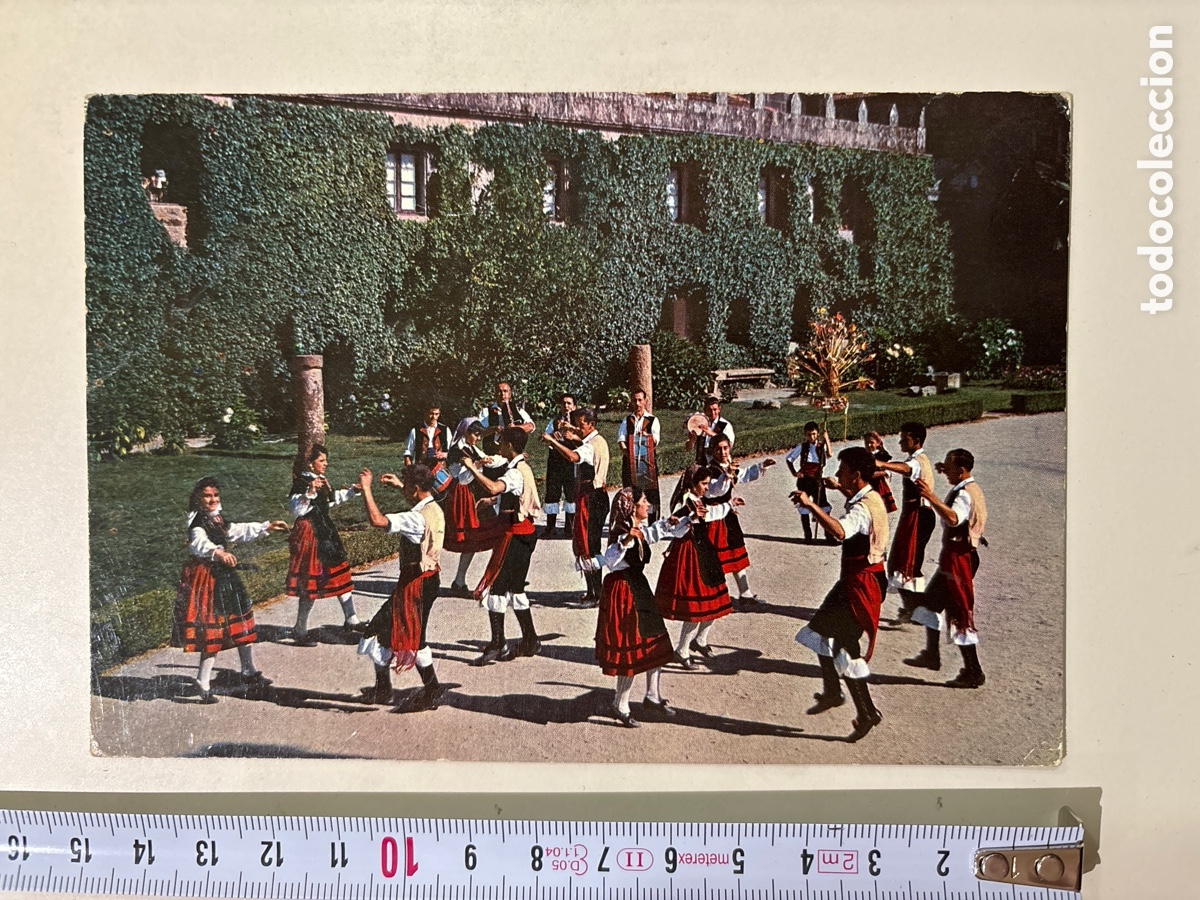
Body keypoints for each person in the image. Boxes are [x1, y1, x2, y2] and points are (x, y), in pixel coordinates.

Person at [792, 447, 889, 742]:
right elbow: (859, 519)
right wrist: (841, 489)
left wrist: (811, 506)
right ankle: (838, 694)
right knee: (824, 635)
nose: (837, 475)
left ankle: (866, 710)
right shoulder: (871, 497)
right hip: (863, 580)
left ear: (857, 475)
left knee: (841, 646)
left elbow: (840, 531)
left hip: (859, 585)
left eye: (843, 471)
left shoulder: (861, 509)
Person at [173, 477, 289, 703]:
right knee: (213, 628)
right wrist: (218, 553)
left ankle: (248, 669)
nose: (212, 499)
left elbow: (234, 530)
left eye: (215, 495)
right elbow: (198, 543)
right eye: (207, 496)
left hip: (224, 575)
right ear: (198, 499)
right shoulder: (197, 522)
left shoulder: (216, 519)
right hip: (208, 577)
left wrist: (266, 527)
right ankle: (203, 681)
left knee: (240, 617)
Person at [580, 487, 682, 728]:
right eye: (644, 501)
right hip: (624, 593)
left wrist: (672, 523)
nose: (648, 505)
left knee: (655, 643)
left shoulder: (638, 529)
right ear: (632, 506)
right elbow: (611, 559)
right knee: (630, 650)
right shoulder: (620, 532)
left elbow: (653, 534)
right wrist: (626, 541)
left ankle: (652, 696)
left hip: (639, 589)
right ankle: (620, 704)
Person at [355, 465, 447, 712]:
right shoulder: (434, 507)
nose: (404, 490)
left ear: (416, 489)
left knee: (385, 632)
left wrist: (366, 488)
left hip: (414, 583)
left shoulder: (415, 519)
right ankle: (391, 689)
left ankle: (429, 690)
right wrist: (400, 486)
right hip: (428, 579)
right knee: (401, 634)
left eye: (407, 487)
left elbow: (377, 520)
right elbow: (420, 501)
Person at [904, 449, 989, 688]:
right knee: (930, 605)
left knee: (959, 613)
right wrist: (943, 469)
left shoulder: (963, 495)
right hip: (958, 557)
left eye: (950, 469)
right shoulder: (973, 488)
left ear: (961, 472)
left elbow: (954, 519)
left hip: (959, 561)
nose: (946, 473)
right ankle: (932, 654)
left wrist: (930, 497)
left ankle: (973, 671)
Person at [460, 427, 542, 665]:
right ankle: (530, 639)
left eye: (502, 442)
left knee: (496, 589)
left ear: (509, 445)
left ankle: (498, 644)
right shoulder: (521, 467)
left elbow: (495, 486)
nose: (499, 446)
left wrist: (471, 468)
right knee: (515, 589)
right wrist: (494, 501)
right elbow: (511, 493)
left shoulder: (515, 472)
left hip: (514, 536)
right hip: (524, 532)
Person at [655, 464, 739, 668]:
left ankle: (700, 640)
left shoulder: (697, 499)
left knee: (716, 602)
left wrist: (730, 504)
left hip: (703, 552)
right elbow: (674, 530)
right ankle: (682, 650)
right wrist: (689, 519)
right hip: (688, 555)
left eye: (708, 483)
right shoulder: (684, 502)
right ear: (692, 484)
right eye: (703, 483)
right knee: (696, 607)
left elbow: (711, 513)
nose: (706, 487)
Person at [286, 444, 364, 646]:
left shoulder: (319, 481)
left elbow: (328, 502)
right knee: (311, 582)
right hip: (310, 533)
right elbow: (296, 510)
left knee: (340, 572)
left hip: (325, 531)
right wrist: (309, 492)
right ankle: (300, 628)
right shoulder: (302, 482)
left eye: (326, 460)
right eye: (322, 460)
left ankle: (351, 617)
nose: (326, 464)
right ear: (310, 463)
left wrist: (351, 492)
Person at [541, 407, 611, 607]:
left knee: (587, 545)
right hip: (598, 496)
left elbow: (574, 456)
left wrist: (552, 441)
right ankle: (595, 590)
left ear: (592, 425)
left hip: (590, 498)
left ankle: (594, 594)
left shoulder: (589, 447)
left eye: (581, 425)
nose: (578, 429)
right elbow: (580, 442)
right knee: (592, 544)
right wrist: (570, 433)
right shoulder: (598, 441)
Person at [876, 421, 937, 622]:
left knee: (910, 564)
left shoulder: (917, 462)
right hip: (913, 515)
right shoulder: (917, 458)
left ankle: (918, 609)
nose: (901, 441)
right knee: (900, 563)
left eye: (905, 439)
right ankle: (912, 608)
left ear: (916, 441)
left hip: (919, 516)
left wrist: (882, 464)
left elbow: (905, 468)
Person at [705, 434, 776, 605]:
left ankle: (745, 594)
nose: (723, 452)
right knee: (717, 559)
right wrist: (726, 476)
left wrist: (761, 467)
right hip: (715, 518)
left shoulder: (728, 466)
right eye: (719, 449)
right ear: (713, 450)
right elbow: (715, 491)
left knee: (736, 553)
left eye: (725, 448)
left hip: (728, 517)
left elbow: (744, 475)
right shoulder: (710, 470)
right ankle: (715, 597)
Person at [442, 417, 504, 597]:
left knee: (478, 536)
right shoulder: (456, 450)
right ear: (466, 433)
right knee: (471, 536)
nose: (477, 438)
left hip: (473, 492)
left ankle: (460, 580)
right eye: (475, 435)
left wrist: (509, 458)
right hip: (462, 495)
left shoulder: (470, 447)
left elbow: (487, 459)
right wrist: (477, 465)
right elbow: (460, 477)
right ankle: (461, 580)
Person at [616, 389, 661, 524]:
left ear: (645, 401)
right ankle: (631, 521)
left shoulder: (653, 420)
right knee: (631, 491)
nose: (637, 403)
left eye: (640, 400)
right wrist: (628, 454)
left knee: (650, 492)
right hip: (630, 462)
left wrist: (648, 438)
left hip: (647, 461)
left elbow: (655, 440)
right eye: (635, 400)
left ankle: (652, 522)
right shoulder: (627, 420)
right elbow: (621, 439)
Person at [786, 421, 833, 542]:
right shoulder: (803, 446)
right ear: (805, 435)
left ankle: (829, 535)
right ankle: (808, 536)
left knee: (823, 506)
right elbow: (789, 459)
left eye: (814, 434)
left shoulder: (821, 446)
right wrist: (795, 472)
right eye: (809, 435)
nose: (812, 437)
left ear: (817, 434)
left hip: (817, 480)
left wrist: (826, 439)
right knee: (803, 506)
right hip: (804, 480)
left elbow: (830, 454)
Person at [542, 393, 578, 537]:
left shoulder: (577, 422)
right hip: (556, 462)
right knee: (552, 492)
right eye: (564, 404)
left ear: (574, 406)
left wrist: (573, 433)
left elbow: (584, 438)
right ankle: (550, 527)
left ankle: (570, 527)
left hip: (571, 462)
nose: (566, 406)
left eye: (569, 403)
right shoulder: (555, 422)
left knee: (571, 493)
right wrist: (552, 437)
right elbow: (544, 437)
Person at [478, 381, 534, 455]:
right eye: (499, 391)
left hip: (513, 454)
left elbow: (531, 426)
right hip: (493, 454)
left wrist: (514, 428)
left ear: (510, 394)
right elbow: (479, 433)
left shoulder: (518, 410)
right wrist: (493, 429)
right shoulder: (486, 412)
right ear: (495, 394)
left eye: (505, 391)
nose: (502, 394)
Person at [687, 395, 735, 465]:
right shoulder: (699, 424)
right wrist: (692, 440)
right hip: (702, 465)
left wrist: (711, 434)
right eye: (709, 410)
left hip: (720, 464)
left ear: (719, 409)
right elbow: (688, 449)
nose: (712, 413)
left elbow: (729, 444)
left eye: (715, 410)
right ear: (704, 410)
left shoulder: (725, 425)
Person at [403, 403, 452, 468]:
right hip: (421, 468)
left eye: (436, 414)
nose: (433, 417)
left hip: (440, 468)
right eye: (431, 413)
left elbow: (453, 451)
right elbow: (408, 451)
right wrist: (410, 468)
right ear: (425, 413)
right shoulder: (416, 430)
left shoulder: (445, 430)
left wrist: (445, 454)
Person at [863, 431, 898, 514]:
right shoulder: (864, 455)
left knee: (880, 507)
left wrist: (880, 473)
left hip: (879, 485)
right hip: (867, 484)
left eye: (871, 443)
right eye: (866, 443)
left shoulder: (882, 455)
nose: (869, 445)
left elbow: (890, 470)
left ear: (878, 443)